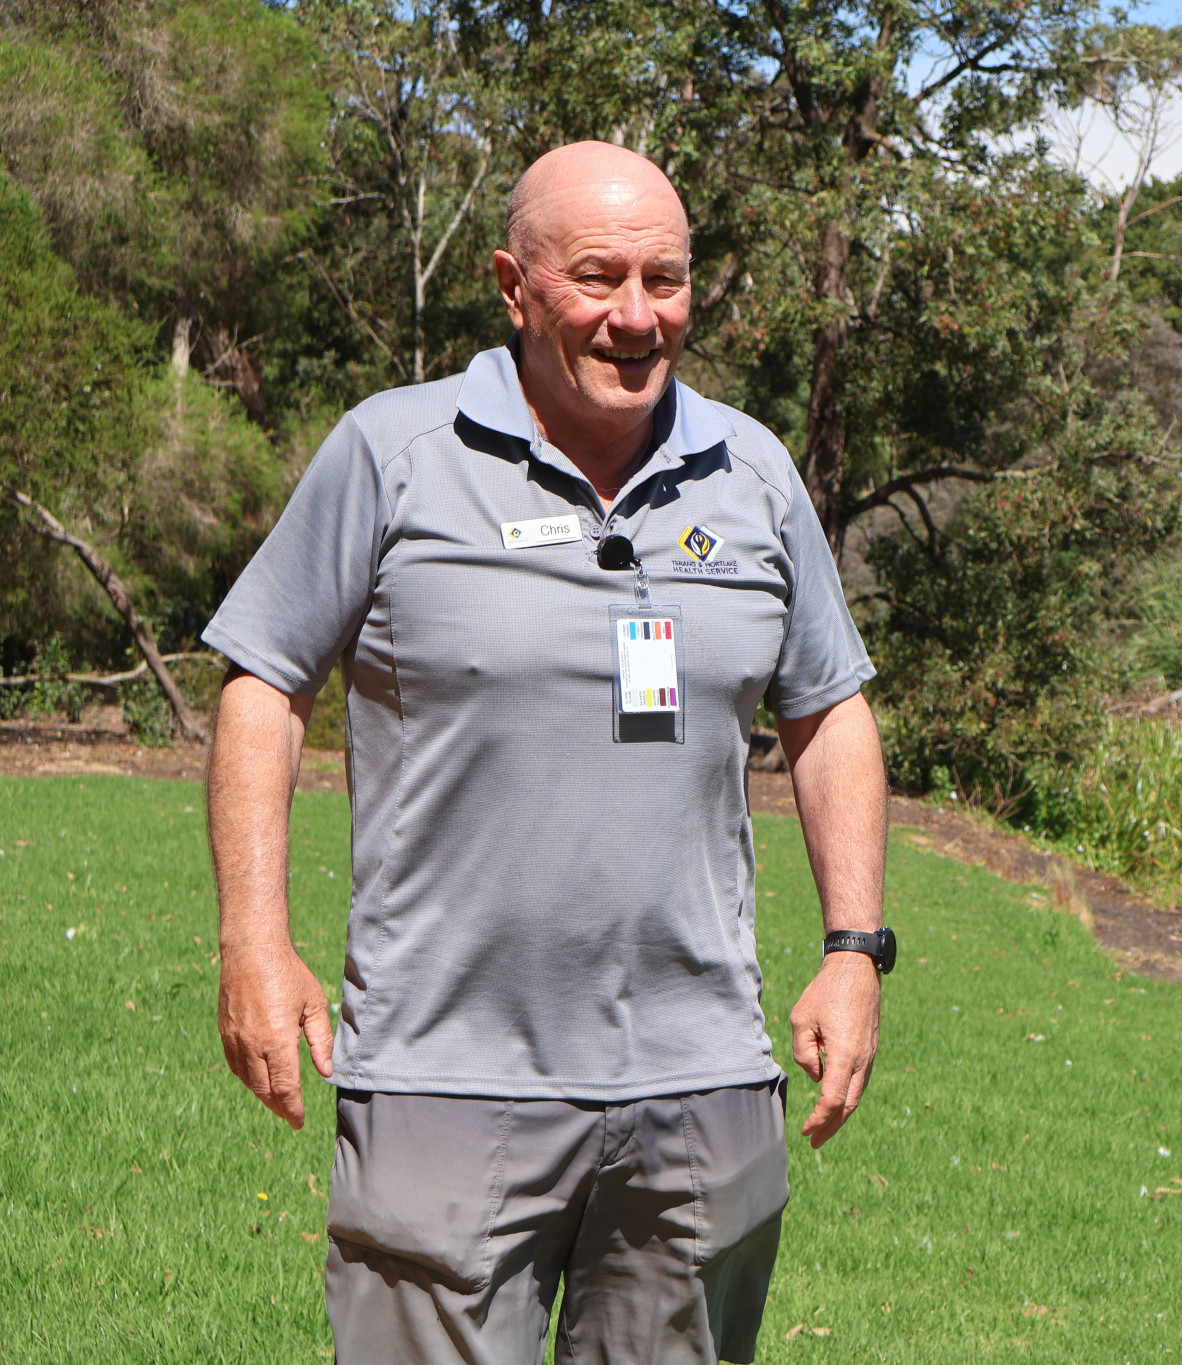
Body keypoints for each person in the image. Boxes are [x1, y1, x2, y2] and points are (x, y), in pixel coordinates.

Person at [204, 141, 891, 1364]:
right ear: (514, 288)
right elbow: (263, 682)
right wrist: (254, 942)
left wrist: (853, 949)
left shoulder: (752, 473)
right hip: (445, 1075)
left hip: (702, 1082)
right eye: (597, 278)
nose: (637, 316)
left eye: (665, 280)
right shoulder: (394, 452)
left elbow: (827, 708)